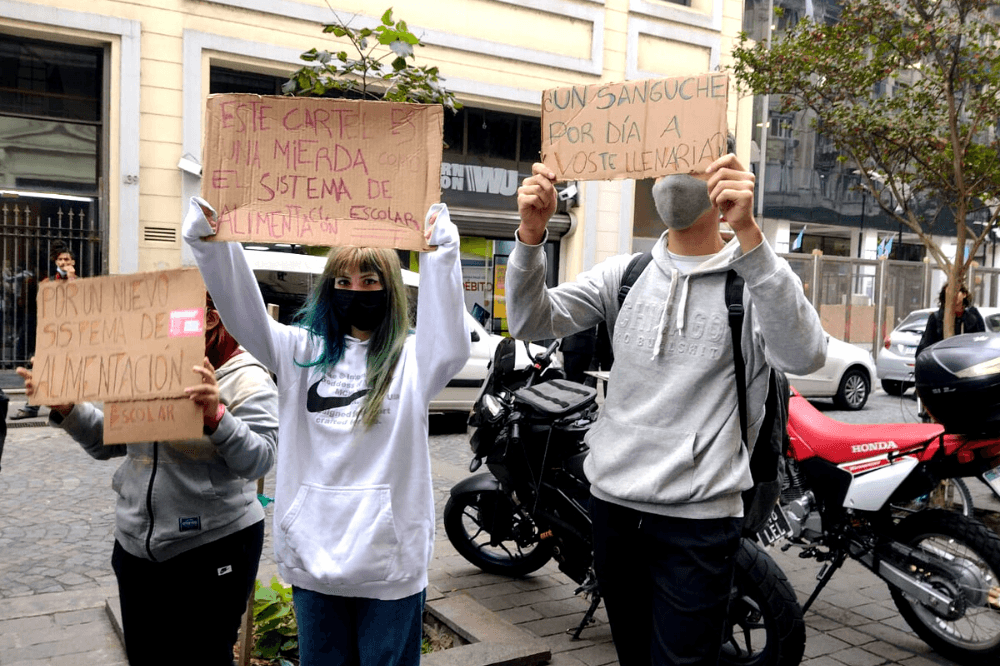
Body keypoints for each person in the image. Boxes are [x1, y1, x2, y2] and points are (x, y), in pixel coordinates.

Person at [508, 149, 826, 665]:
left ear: (726, 175)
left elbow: (805, 354)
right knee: (634, 655)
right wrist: (530, 235)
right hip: (612, 509)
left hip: (698, 520)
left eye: (693, 162)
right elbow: (529, 320)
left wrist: (750, 235)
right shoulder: (626, 274)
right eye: (665, 163)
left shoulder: (752, 280)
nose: (675, 177)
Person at [182, 196, 471, 666]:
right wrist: (210, 242)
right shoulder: (298, 352)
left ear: (389, 288)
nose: (355, 289)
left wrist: (441, 252)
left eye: (370, 280)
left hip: (389, 569)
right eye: (342, 280)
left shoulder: (414, 360)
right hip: (315, 561)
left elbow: (452, 342)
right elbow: (243, 313)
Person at [16, 294, 279, 666]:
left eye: (172, 317)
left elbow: (260, 460)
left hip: (214, 546)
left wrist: (217, 417)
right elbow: (110, 441)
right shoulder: (147, 367)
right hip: (136, 550)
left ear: (209, 319)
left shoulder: (247, 377)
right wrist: (69, 409)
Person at [13, 243, 77, 420]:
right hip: (50, 334)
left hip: (70, 335)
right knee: (42, 368)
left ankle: (67, 407)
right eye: (60, 259)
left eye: (67, 259)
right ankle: (31, 406)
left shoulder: (80, 282)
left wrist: (71, 280)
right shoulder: (47, 282)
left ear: (73, 261)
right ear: (56, 262)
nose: (64, 262)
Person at [916, 282, 985, 357]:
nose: (953, 295)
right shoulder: (936, 318)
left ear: (964, 294)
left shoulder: (973, 317)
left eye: (956, 291)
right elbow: (927, 345)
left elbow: (981, 342)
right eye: (949, 292)